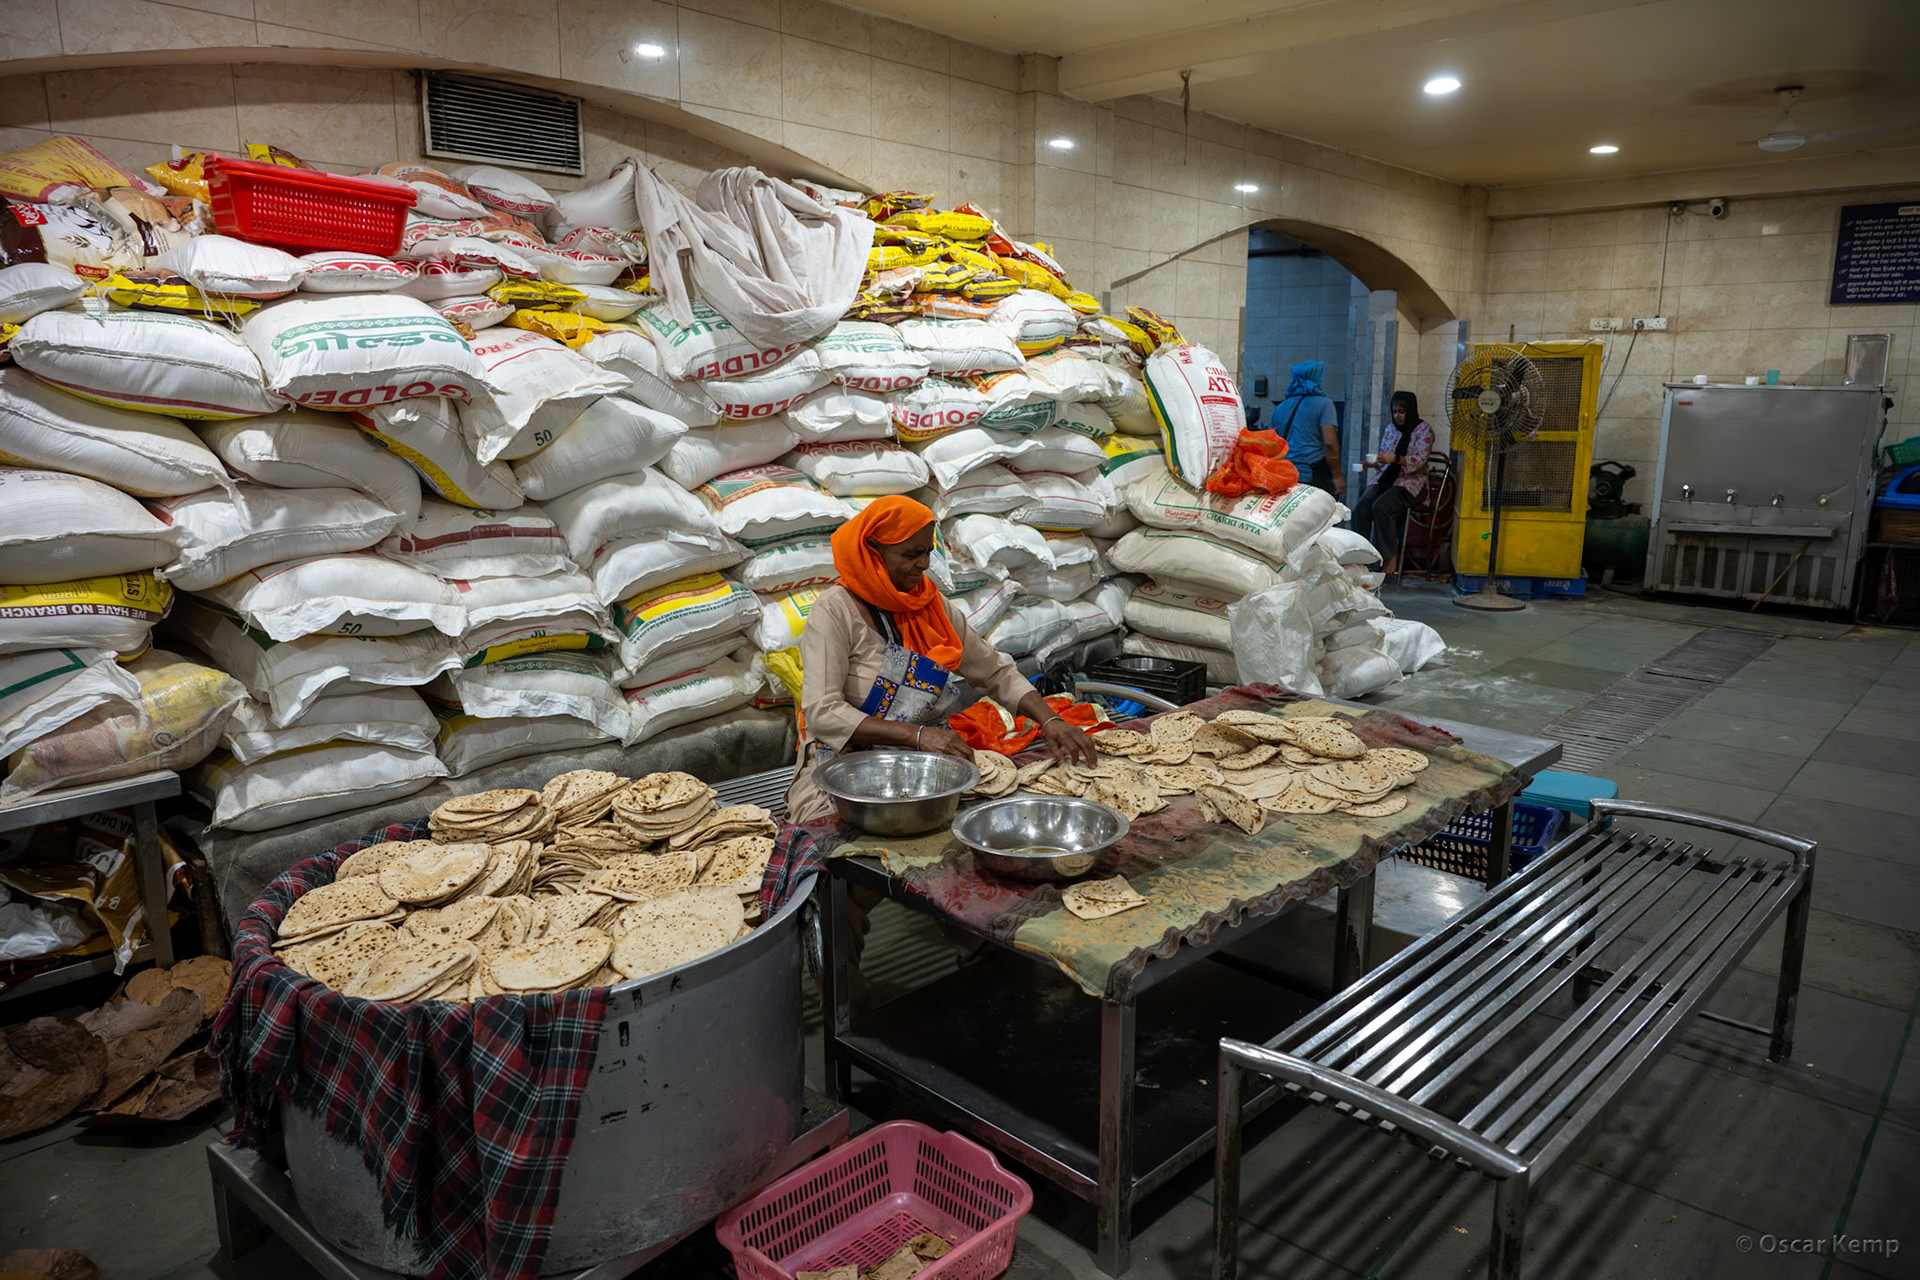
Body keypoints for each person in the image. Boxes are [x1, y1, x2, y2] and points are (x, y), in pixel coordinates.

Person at [785, 495, 1098, 823]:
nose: (923, 564)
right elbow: (822, 713)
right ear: (872, 550)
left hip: (919, 765)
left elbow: (994, 672)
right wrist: (918, 736)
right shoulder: (835, 611)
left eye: (927, 553)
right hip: (841, 769)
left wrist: (1051, 721)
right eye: (911, 554)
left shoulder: (930, 605)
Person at [1352, 390, 1434, 574]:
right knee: (1362, 506)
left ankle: (1390, 557)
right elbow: (1384, 461)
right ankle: (1361, 554)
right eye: (1395, 411)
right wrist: (1370, 464)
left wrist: (1396, 459)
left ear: (1410, 410)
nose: (1397, 415)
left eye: (1402, 411)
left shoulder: (1423, 430)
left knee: (1381, 506)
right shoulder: (1391, 429)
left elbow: (1419, 462)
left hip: (1411, 483)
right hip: (1386, 478)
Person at [1269, 360, 1342, 497]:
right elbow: (1329, 443)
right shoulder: (1324, 404)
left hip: (1285, 476)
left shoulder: (1280, 408)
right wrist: (1337, 475)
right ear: (1317, 378)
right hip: (1312, 475)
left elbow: (1271, 444)